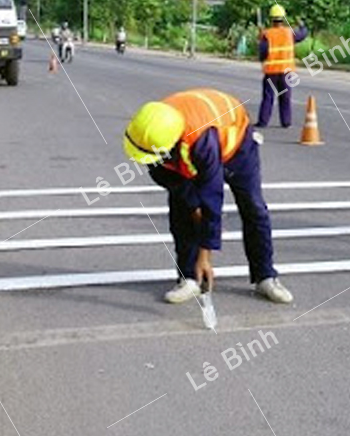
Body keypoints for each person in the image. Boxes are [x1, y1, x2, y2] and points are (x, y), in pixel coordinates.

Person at [123, 88, 294, 304]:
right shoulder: (151, 129)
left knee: (253, 206)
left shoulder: (204, 142)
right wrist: (192, 204)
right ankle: (188, 278)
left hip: (237, 143)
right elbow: (162, 174)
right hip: (188, 136)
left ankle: (265, 276)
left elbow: (212, 201)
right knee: (181, 208)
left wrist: (205, 257)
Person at [255, 5, 308, 128]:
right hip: (287, 72)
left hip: (271, 72)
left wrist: (262, 57)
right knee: (285, 97)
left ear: (271, 19)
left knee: (268, 98)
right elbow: (303, 34)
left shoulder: (267, 34)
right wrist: (302, 26)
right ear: (283, 18)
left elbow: (263, 52)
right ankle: (286, 122)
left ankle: (263, 122)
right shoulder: (290, 33)